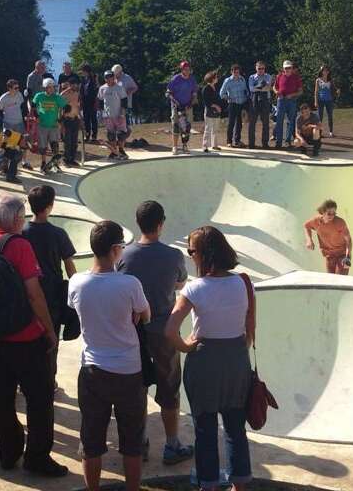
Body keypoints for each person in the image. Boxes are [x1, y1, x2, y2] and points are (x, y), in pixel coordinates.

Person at [165, 226, 255, 491]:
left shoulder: (194, 289)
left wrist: (186, 346)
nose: (190, 256)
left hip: (204, 363)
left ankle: (209, 485)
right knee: (235, 429)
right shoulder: (243, 282)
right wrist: (237, 349)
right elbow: (251, 328)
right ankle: (240, 485)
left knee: (205, 429)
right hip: (237, 359)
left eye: (191, 251)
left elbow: (170, 330)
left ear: (202, 254)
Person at [68, 220, 150, 491]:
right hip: (128, 370)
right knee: (132, 441)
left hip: (92, 369)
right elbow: (145, 316)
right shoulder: (130, 284)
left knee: (91, 440)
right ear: (115, 249)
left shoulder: (77, 282)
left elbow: (75, 307)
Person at [116, 201, 193, 465]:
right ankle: (172, 444)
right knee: (169, 386)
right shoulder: (173, 256)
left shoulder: (124, 255)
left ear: (138, 223)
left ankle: (138, 442)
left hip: (133, 331)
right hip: (164, 331)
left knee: (136, 383)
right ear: (161, 224)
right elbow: (181, 282)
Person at [0, 196, 68, 477]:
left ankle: (9, 449)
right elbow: (34, 293)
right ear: (16, 220)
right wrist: (49, 330)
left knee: (2, 398)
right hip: (26, 337)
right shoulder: (19, 245)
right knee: (39, 400)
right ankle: (37, 457)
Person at [23, 186, 77, 387]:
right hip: (52, 294)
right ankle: (49, 379)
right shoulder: (58, 233)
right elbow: (70, 266)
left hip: (27, 292)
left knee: (29, 334)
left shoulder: (22, 232)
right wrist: (77, 289)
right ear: (49, 207)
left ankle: (26, 378)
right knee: (51, 336)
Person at [304, 200, 352, 275]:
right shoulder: (316, 221)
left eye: (334, 213)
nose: (332, 216)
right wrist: (309, 240)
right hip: (329, 255)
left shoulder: (340, 222)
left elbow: (348, 240)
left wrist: (347, 257)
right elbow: (306, 226)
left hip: (342, 255)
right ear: (322, 212)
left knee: (340, 280)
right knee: (331, 281)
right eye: (329, 213)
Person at [33, 78, 66, 173]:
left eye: (53, 87)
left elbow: (66, 107)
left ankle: (55, 165)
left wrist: (61, 119)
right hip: (42, 125)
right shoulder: (39, 96)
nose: (52, 89)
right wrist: (36, 116)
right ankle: (43, 163)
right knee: (43, 146)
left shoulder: (57, 97)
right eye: (49, 87)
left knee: (55, 145)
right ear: (45, 88)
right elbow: (33, 105)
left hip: (53, 125)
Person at [0, 79, 33, 169]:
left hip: (19, 123)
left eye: (18, 87)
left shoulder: (19, 95)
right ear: (9, 88)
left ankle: (24, 162)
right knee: (7, 144)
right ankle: (4, 165)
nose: (18, 89)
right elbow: (0, 110)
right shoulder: (3, 98)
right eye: (15, 88)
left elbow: (22, 106)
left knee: (24, 141)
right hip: (8, 124)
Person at [167, 61, 198, 155]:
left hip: (187, 106)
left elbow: (194, 93)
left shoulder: (192, 79)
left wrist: (191, 103)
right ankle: (175, 147)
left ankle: (185, 146)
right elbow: (168, 93)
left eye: (188, 69)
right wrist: (175, 102)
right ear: (182, 70)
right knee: (176, 126)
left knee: (187, 127)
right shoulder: (176, 79)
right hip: (176, 106)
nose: (187, 70)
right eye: (185, 69)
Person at [98, 70, 129, 160]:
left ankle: (121, 150)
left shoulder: (119, 87)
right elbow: (100, 101)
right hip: (108, 115)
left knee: (121, 134)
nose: (109, 79)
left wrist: (122, 113)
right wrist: (101, 113)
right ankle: (113, 151)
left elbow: (124, 100)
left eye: (110, 77)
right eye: (107, 77)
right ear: (105, 79)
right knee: (111, 135)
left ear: (113, 77)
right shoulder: (102, 88)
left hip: (119, 114)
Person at [273, 60, 303, 149]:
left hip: (291, 101)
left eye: (289, 67)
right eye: (286, 68)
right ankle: (278, 142)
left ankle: (287, 141)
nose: (288, 69)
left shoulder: (296, 77)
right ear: (283, 68)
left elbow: (301, 91)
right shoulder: (279, 76)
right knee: (279, 121)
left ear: (292, 68)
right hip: (281, 100)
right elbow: (274, 87)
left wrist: (292, 95)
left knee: (291, 122)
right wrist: (276, 92)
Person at [220, 64, 249, 148]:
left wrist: (247, 95)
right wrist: (228, 98)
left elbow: (245, 90)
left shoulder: (242, 79)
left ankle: (237, 141)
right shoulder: (228, 81)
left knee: (239, 123)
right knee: (231, 123)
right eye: (234, 72)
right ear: (231, 72)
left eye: (237, 72)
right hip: (232, 104)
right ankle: (229, 141)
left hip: (241, 104)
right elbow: (221, 93)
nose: (236, 73)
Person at [248, 61, 272, 149]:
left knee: (265, 123)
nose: (261, 70)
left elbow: (268, 88)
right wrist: (262, 86)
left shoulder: (268, 76)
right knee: (252, 123)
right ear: (256, 68)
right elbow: (251, 89)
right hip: (254, 100)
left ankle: (265, 143)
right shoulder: (251, 77)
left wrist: (257, 87)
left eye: (263, 68)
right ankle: (251, 144)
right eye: (259, 68)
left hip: (265, 100)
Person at [60, 77, 81, 166]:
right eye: (72, 84)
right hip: (66, 120)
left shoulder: (77, 94)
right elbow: (60, 108)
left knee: (74, 141)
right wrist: (60, 121)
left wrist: (80, 117)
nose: (74, 85)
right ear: (69, 84)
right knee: (67, 141)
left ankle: (72, 159)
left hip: (75, 118)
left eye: (75, 84)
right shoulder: (63, 94)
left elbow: (77, 106)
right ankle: (66, 160)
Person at [202, 72, 222, 153]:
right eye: (216, 77)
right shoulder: (206, 88)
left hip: (216, 112)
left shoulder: (216, 87)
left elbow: (218, 99)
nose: (217, 78)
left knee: (215, 129)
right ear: (212, 79)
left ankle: (215, 145)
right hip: (209, 111)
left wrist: (219, 107)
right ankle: (205, 146)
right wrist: (216, 106)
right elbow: (207, 102)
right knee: (208, 129)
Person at [314, 65, 337, 138]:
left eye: (327, 70)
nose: (325, 72)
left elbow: (334, 90)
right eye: (324, 70)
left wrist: (337, 91)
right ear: (321, 71)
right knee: (319, 117)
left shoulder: (331, 80)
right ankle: (320, 133)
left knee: (330, 116)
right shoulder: (318, 80)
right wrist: (315, 101)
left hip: (329, 100)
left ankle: (331, 132)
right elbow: (316, 92)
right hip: (320, 100)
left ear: (328, 72)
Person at [80, 63, 98, 142]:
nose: (82, 73)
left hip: (92, 101)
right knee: (86, 119)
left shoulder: (94, 78)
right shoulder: (83, 80)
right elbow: (82, 90)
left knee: (93, 119)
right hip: (85, 102)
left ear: (86, 71)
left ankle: (94, 136)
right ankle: (87, 136)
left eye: (83, 71)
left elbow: (97, 89)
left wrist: (96, 101)